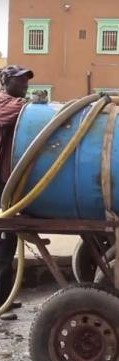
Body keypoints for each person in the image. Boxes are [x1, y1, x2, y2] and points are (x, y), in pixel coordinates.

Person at [0, 65, 34, 321]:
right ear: (6, 81)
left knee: (9, 239)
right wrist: (29, 105)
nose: (25, 84)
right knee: (3, 240)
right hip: (1, 183)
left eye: (26, 81)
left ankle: (5, 297)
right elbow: (12, 112)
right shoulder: (4, 102)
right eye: (20, 80)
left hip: (8, 181)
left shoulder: (17, 103)